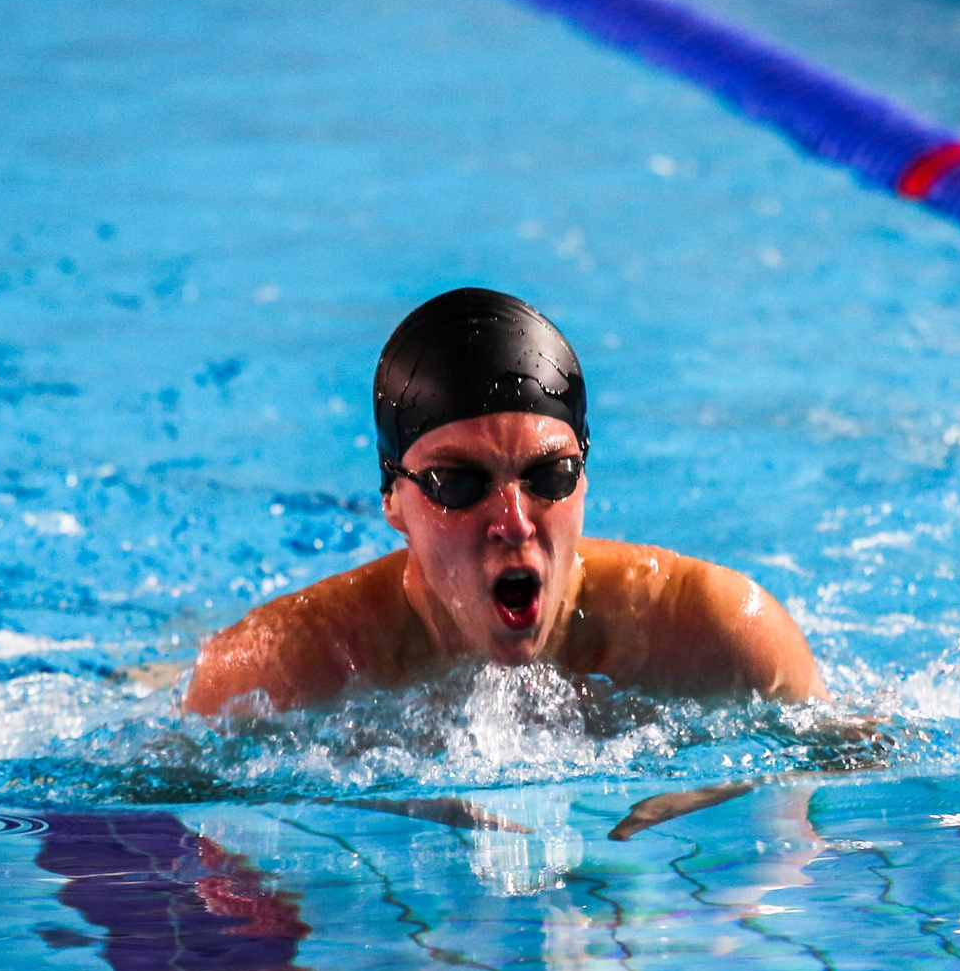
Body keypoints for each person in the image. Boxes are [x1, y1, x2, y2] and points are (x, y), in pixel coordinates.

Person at [183, 288, 824, 717]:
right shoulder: (279, 674)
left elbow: (857, 784)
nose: (514, 523)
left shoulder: (719, 635)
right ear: (393, 500)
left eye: (549, 475)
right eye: (458, 484)